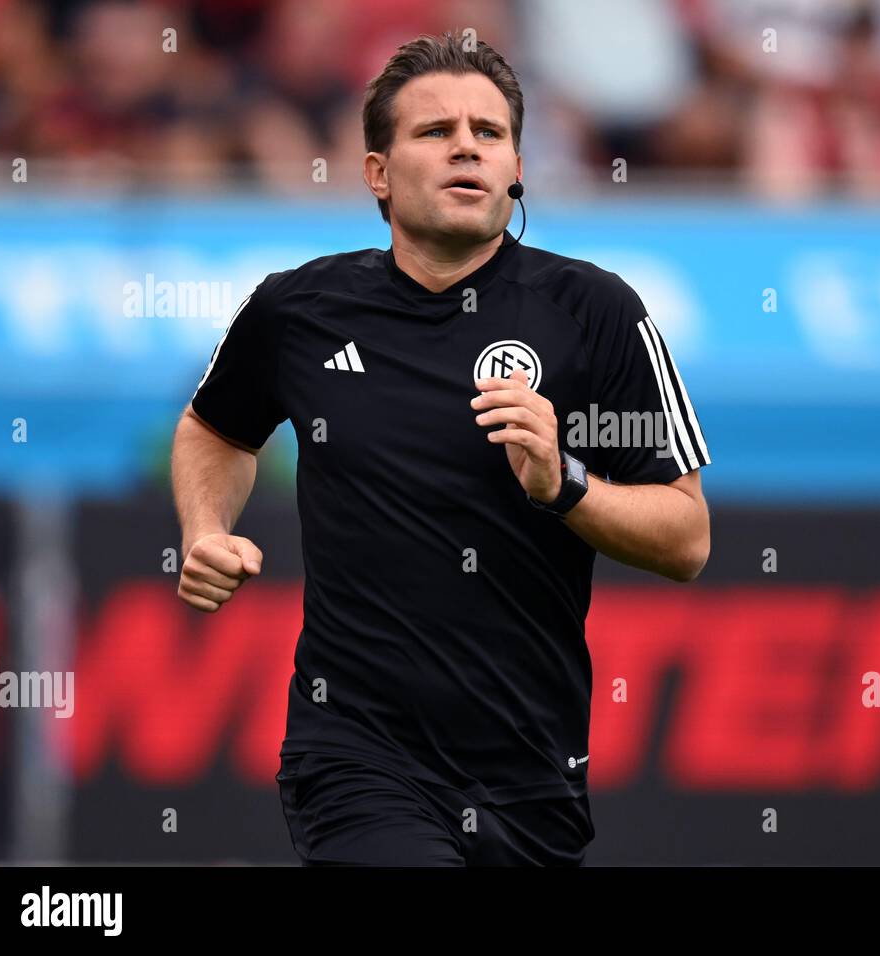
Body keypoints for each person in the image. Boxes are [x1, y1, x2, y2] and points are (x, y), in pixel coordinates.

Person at [169, 32, 712, 866]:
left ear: (518, 167)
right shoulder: (298, 311)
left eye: (489, 133)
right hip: (354, 757)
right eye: (435, 131)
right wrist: (206, 526)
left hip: (531, 774)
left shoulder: (596, 314)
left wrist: (565, 483)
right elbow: (215, 427)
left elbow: (687, 539)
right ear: (377, 174)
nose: (467, 146)